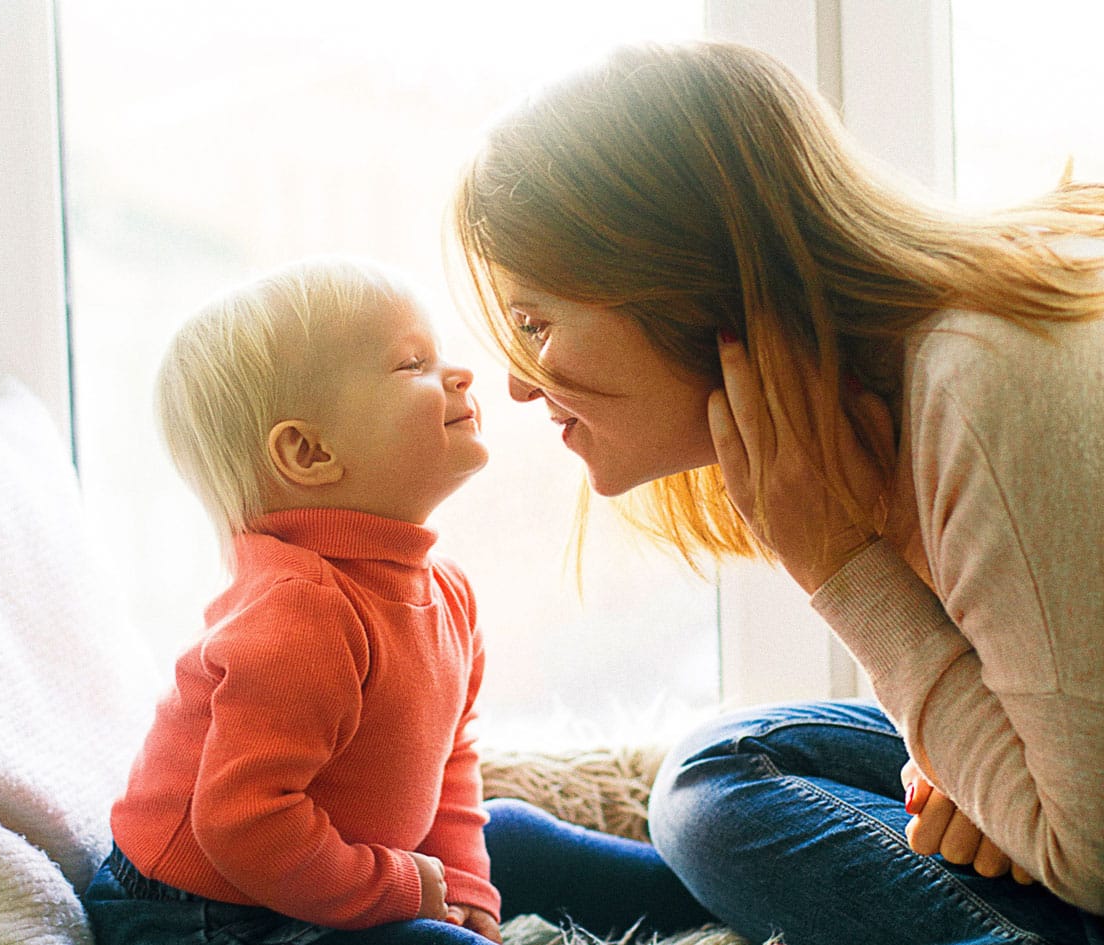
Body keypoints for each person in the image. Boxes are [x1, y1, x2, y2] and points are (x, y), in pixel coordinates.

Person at [450, 41, 1104, 945]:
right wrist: (971, 767)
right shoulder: (916, 388)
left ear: (678, 277)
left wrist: (842, 566)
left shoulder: (980, 388)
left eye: (536, 323)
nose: (522, 384)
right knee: (718, 770)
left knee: (715, 800)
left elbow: (1092, 851)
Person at [82, 256, 501, 945]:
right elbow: (243, 822)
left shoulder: (447, 592)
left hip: (316, 868)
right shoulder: (302, 612)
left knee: (513, 834)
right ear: (308, 452)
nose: (459, 374)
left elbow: (450, 756)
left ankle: (692, 890)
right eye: (412, 364)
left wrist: (461, 882)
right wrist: (395, 888)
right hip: (195, 909)